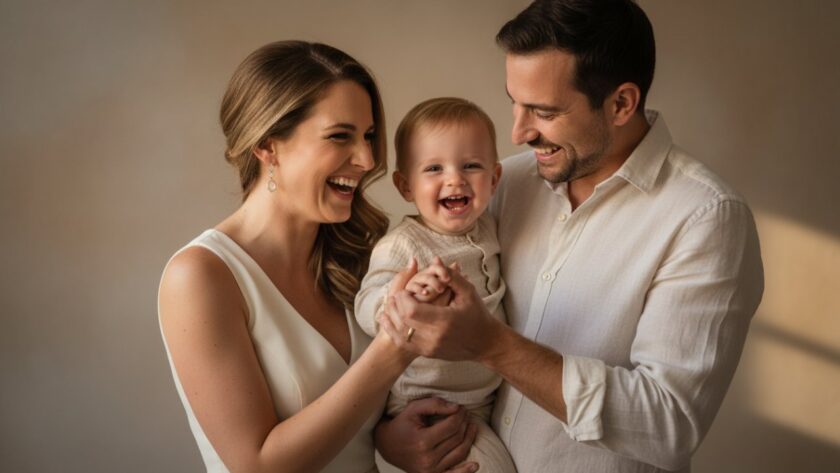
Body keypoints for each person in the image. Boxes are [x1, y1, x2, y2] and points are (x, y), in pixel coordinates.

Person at [375, 1, 764, 472]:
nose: (519, 132)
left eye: (543, 111)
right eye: (514, 103)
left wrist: (491, 345)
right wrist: (387, 435)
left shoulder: (705, 218)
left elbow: (669, 423)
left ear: (621, 103)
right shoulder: (505, 185)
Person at [157, 41, 477, 473]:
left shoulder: (363, 258)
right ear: (268, 145)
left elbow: (353, 416)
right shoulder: (200, 276)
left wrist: (386, 438)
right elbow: (257, 465)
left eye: (367, 136)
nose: (366, 159)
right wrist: (393, 349)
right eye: (339, 136)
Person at [355, 98, 515, 473]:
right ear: (405, 185)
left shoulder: (490, 227)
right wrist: (398, 301)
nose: (454, 179)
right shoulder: (404, 245)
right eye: (434, 168)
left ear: (494, 178)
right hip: (427, 403)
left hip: (480, 400)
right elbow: (367, 300)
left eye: (471, 166)